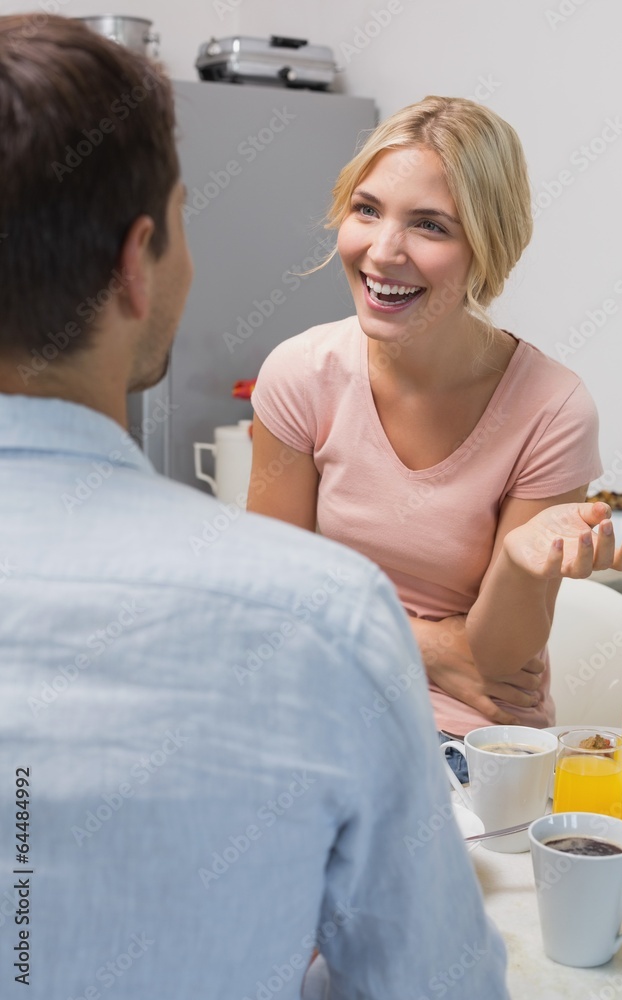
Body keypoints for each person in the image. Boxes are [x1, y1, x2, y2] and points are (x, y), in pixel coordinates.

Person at [0, 16, 512, 1000]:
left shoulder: (532, 400)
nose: (385, 249)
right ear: (136, 263)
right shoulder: (320, 608)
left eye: (431, 223)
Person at [248, 95, 622, 776]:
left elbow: (494, 663)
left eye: (429, 226)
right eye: (365, 210)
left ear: (488, 245)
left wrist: (518, 562)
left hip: (464, 741)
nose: (382, 251)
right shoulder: (300, 374)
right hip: (315, 707)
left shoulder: (551, 408)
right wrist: (426, 646)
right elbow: (271, 598)